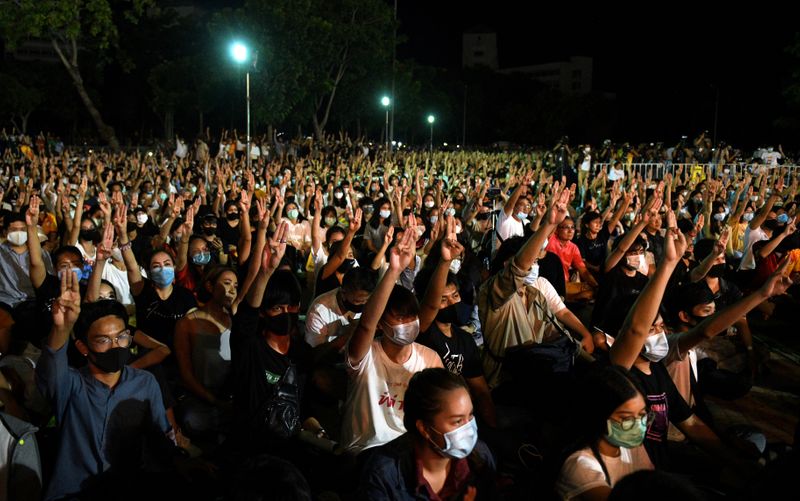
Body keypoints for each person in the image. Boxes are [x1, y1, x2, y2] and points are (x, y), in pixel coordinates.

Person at [609, 206, 793, 474]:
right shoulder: (618, 369)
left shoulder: (657, 366)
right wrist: (669, 265)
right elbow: (636, 331)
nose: (659, 334)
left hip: (667, 459)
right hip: (644, 475)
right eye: (652, 329)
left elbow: (691, 423)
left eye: (661, 327)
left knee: (759, 446)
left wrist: (762, 295)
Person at [36, 274, 173, 500]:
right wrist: (62, 327)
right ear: (83, 347)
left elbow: (159, 437)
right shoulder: (71, 384)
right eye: (103, 340)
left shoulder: (144, 383)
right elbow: (50, 369)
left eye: (121, 338)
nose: (115, 346)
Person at [341, 219, 443, 455]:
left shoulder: (430, 360)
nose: (408, 324)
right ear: (381, 325)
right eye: (399, 318)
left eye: (411, 317)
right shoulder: (364, 356)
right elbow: (365, 326)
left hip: (409, 453)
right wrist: (394, 270)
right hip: (366, 451)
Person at [358, 368, 496, 500]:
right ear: (424, 428)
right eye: (458, 421)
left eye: (470, 416)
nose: (469, 429)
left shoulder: (480, 458)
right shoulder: (384, 475)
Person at [416, 220, 497, 428]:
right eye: (443, 299)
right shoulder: (422, 331)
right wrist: (444, 262)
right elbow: (430, 307)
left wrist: (492, 430)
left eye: (455, 296)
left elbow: (480, 390)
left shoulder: (465, 340)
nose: (452, 303)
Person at [556, 366, 654, 500]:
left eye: (642, 414)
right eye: (626, 418)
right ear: (598, 417)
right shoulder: (580, 466)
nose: (638, 425)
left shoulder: (631, 444)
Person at [173, 266, 238, 433]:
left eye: (235, 286)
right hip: (200, 397)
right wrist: (216, 402)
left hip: (231, 395)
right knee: (191, 419)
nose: (231, 290)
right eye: (226, 283)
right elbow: (186, 375)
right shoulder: (187, 323)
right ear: (210, 286)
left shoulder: (234, 320)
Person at [305, 266, 376, 350]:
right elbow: (315, 353)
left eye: (366, 300)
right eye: (358, 301)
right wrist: (350, 333)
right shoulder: (319, 312)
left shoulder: (370, 303)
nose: (364, 304)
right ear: (343, 293)